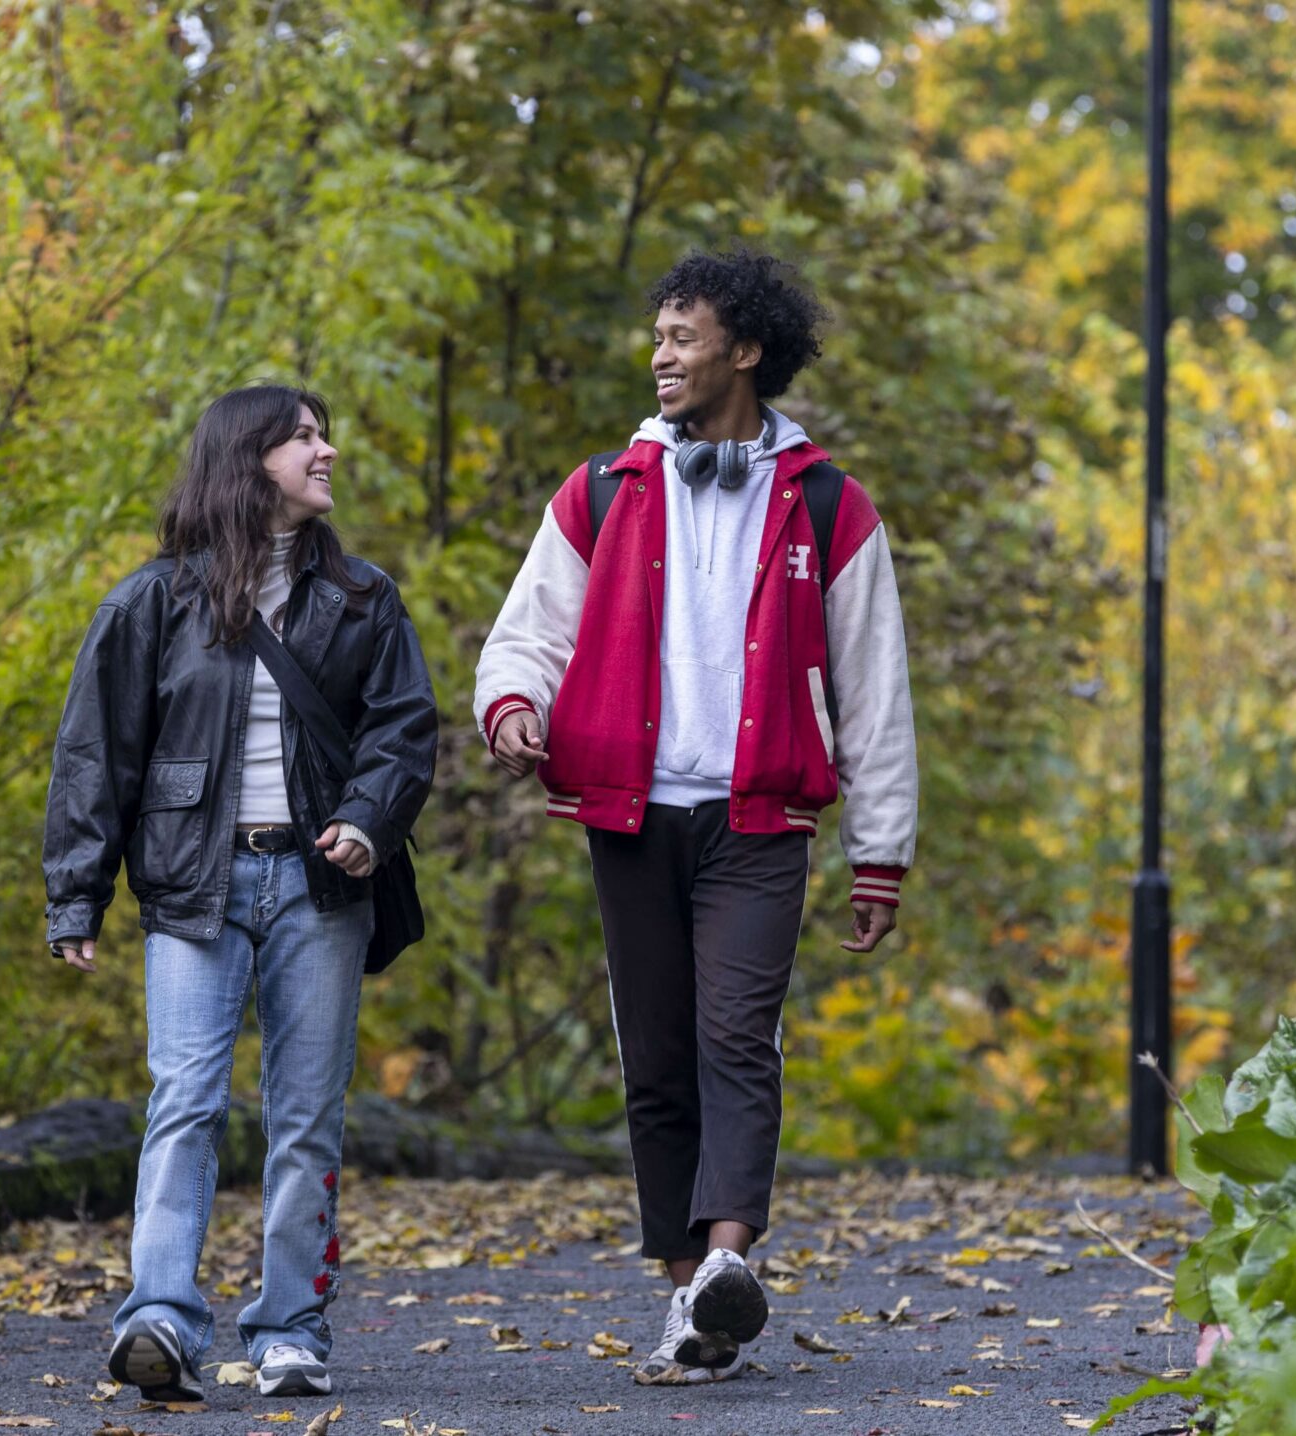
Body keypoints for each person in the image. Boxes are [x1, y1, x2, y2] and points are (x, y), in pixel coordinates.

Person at [472, 250, 918, 1386]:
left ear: (747, 349)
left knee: (737, 1034)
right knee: (656, 1058)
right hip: (627, 810)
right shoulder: (604, 489)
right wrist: (513, 706)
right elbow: (527, 632)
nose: (660, 356)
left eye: (682, 336)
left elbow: (874, 687)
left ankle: (727, 1254)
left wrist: (882, 852)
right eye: (656, 338)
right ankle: (691, 1296)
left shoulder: (829, 502)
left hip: (758, 818)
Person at [44, 384, 437, 1404]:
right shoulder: (152, 601)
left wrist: (365, 816)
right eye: (303, 436)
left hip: (319, 884)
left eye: (321, 432)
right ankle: (159, 1321)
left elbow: (404, 728)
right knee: (184, 1102)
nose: (327, 449)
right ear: (246, 457)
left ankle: (289, 1328)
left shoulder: (364, 596)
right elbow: (97, 755)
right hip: (191, 886)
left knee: (306, 1115)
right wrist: (74, 896)